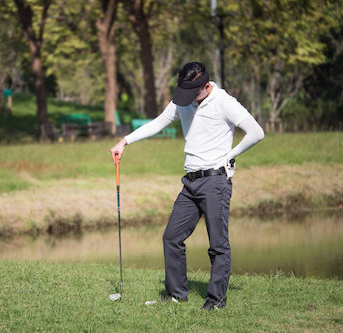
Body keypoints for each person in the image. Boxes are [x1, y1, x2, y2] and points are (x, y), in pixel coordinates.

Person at [110, 62, 264, 310]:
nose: (188, 99)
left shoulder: (225, 102)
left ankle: (215, 301)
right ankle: (176, 295)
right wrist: (124, 141)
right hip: (190, 183)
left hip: (215, 181)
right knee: (171, 237)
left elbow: (257, 132)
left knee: (217, 245)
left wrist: (230, 156)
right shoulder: (183, 100)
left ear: (205, 86)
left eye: (192, 93)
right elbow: (158, 123)